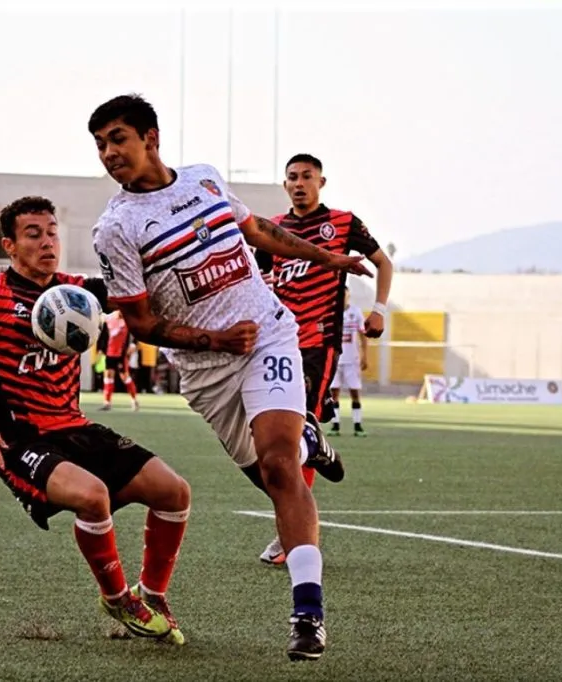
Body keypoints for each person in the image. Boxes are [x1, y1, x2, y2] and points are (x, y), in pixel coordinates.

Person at [88, 94, 373, 661]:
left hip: (268, 333)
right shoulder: (116, 228)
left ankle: (308, 613)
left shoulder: (205, 180)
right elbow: (141, 322)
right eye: (99, 145)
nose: (108, 154)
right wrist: (214, 340)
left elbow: (259, 230)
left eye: (117, 139)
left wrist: (329, 258)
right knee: (270, 477)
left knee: (279, 464)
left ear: (151, 137)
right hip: (207, 371)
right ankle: (309, 434)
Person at [0, 196, 190, 644]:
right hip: (19, 438)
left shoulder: (79, 292)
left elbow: (142, 293)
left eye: (52, 231)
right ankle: (115, 598)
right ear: (10, 246)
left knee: (173, 491)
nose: (46, 240)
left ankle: (151, 593)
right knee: (92, 496)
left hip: (73, 425)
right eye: (33, 234)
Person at [254, 153, 393, 565]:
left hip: (319, 342)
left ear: (322, 182)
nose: (299, 183)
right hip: (279, 343)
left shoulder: (344, 223)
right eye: (292, 178)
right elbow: (260, 283)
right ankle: (316, 451)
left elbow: (383, 262)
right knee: (272, 438)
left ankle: (293, 538)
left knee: (294, 435)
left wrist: (379, 310)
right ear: (284, 186)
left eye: (307, 177)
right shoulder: (273, 229)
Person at [330, 289, 369, 436]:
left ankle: (357, 426)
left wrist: (365, 356)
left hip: (352, 360)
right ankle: (335, 425)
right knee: (334, 393)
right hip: (335, 360)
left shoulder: (356, 312)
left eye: (344, 295)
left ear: (348, 296)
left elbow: (363, 336)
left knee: (354, 392)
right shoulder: (331, 312)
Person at [100, 310, 139, 411]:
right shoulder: (109, 318)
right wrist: (101, 348)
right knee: (108, 376)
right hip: (109, 353)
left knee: (125, 377)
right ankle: (107, 402)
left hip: (121, 354)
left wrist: (133, 344)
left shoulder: (128, 320)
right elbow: (103, 333)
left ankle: (134, 400)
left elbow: (136, 333)